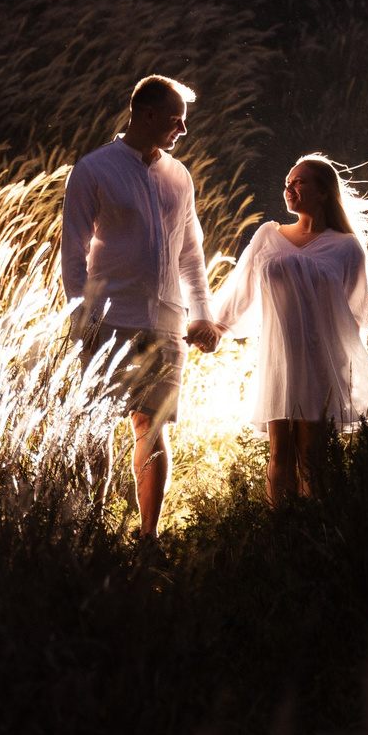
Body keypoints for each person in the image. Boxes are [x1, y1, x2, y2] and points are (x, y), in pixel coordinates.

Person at [60, 74, 224, 540]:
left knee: (152, 431)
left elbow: (191, 253)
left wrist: (202, 314)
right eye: (177, 121)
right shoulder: (94, 170)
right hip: (108, 322)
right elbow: (73, 254)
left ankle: (147, 537)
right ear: (147, 114)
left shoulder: (179, 176)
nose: (183, 131)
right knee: (96, 428)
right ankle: (92, 532)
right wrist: (82, 321)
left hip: (167, 326)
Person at [209, 152, 368, 506]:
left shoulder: (345, 247)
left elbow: (356, 316)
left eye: (299, 182)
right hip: (278, 359)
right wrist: (217, 327)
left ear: (323, 192)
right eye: (286, 184)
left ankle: (314, 537)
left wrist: (342, 372)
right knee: (279, 455)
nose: (289, 188)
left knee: (314, 461)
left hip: (322, 362)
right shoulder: (268, 235)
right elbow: (241, 288)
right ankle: (281, 536)